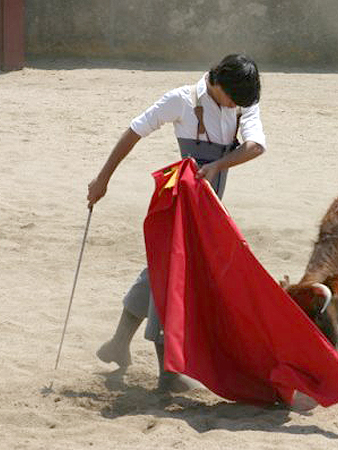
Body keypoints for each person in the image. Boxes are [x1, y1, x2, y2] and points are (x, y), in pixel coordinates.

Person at [87, 54, 266, 392]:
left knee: (161, 268)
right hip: (181, 199)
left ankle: (118, 343)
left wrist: (218, 165)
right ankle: (167, 373)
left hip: (210, 201)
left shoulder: (242, 103)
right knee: (174, 274)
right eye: (231, 99)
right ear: (216, 83)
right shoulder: (181, 100)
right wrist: (102, 179)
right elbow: (133, 132)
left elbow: (256, 147)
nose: (234, 107)